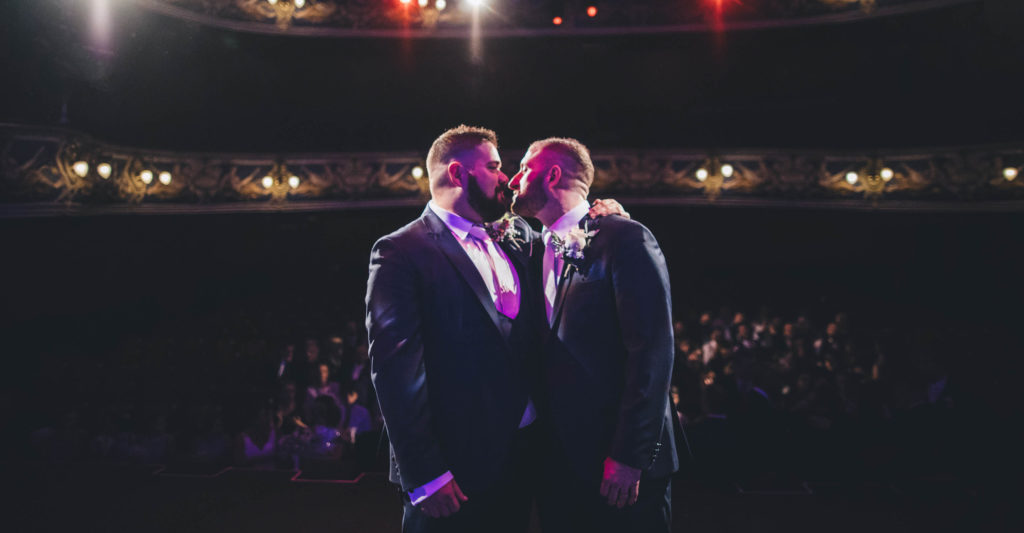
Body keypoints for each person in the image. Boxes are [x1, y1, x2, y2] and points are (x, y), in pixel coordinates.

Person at [366, 125, 545, 533]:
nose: (508, 178)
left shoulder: (517, 236)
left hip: (521, 457)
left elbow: (565, 233)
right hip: (450, 470)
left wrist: (604, 215)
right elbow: (396, 372)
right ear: (457, 173)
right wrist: (425, 472)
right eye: (495, 167)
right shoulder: (401, 251)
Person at [509, 137, 678, 532]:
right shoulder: (534, 248)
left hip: (619, 466)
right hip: (559, 465)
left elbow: (652, 352)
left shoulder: (625, 239)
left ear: (552, 175)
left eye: (523, 169)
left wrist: (629, 456)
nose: (513, 179)